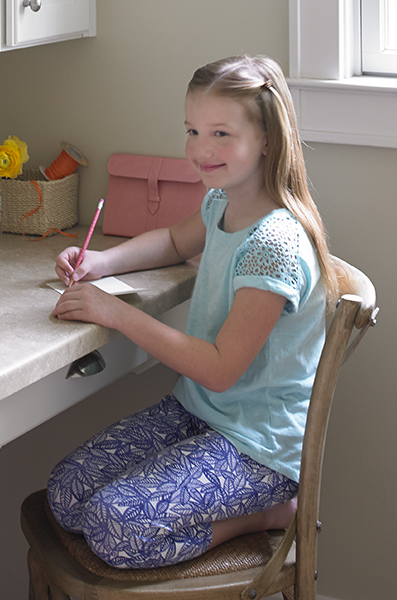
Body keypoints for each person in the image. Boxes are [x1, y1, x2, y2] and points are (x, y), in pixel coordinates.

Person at [47, 55, 339, 569]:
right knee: (66, 494)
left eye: (221, 134)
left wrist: (117, 313)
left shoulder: (274, 244)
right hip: (197, 412)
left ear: (266, 138)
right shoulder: (221, 201)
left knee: (114, 527)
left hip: (257, 447)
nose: (202, 150)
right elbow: (174, 241)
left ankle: (269, 514)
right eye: (193, 131)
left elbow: (221, 370)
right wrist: (101, 262)